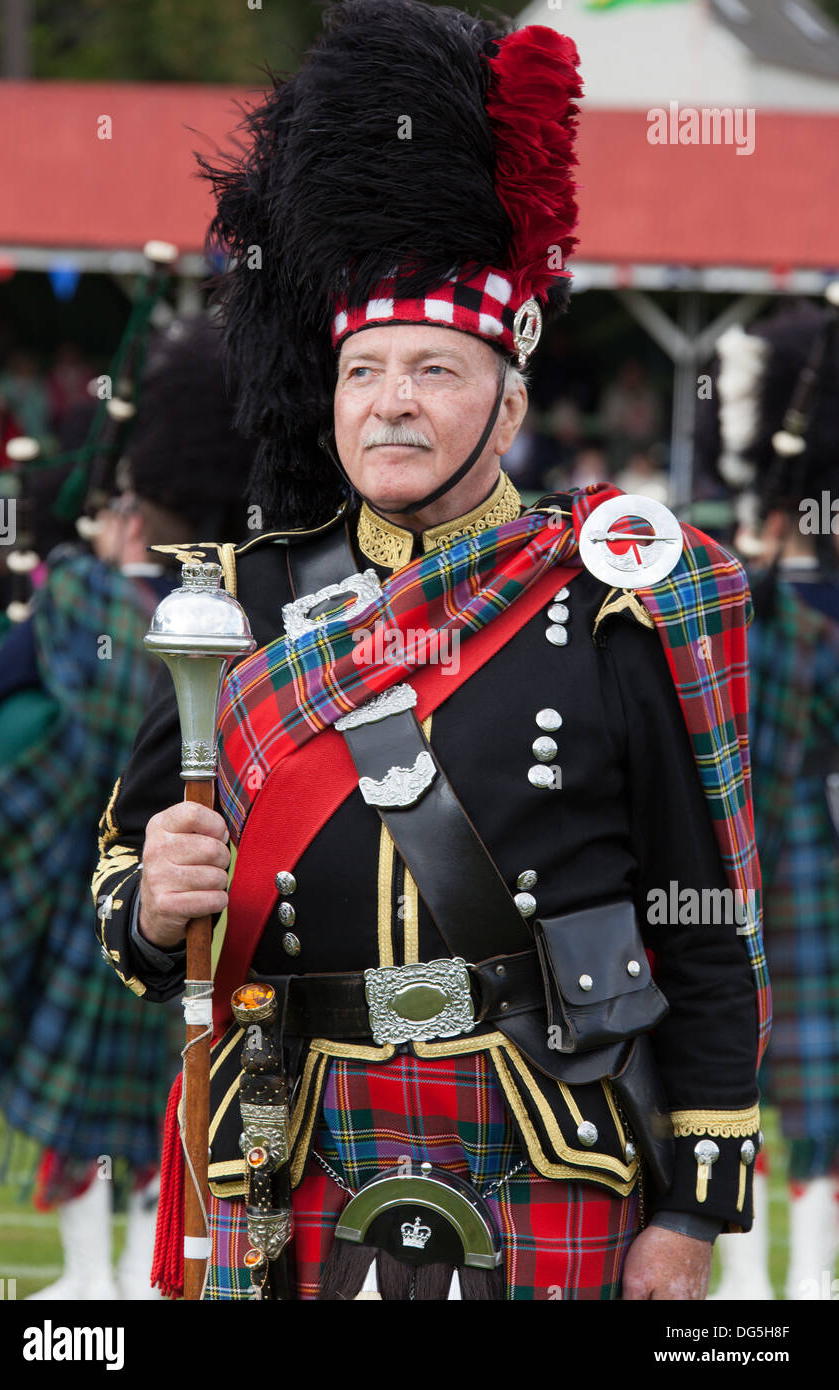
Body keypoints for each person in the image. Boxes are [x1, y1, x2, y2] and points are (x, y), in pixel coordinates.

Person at [94, 0, 768, 1302]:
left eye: (433, 369)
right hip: (297, 1136)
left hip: (548, 1132)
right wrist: (149, 900)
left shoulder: (613, 597)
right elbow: (128, 861)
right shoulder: (245, 598)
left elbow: (701, 922)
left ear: (508, 400)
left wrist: (690, 1211)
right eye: (364, 371)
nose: (391, 399)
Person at [0, 314, 254, 1299]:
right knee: (162, 1104)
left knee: (79, 1119)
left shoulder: (78, 601)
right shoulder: (255, 613)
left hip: (103, 899)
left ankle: (95, 1280)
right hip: (209, 903)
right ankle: (142, 1272)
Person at [700, 298, 839, 1301]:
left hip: (732, 869)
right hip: (775, 863)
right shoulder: (778, 622)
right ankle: (773, 1287)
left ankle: (766, 1285)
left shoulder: (746, 618)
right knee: (762, 1089)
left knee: (751, 1086)